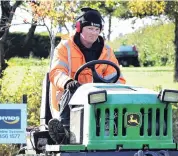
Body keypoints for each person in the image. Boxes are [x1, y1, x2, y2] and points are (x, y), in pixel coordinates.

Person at [48, 7, 126, 143]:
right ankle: (65, 133)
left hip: (99, 98)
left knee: (119, 96)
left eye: (97, 30)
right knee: (72, 91)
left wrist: (110, 87)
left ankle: (115, 130)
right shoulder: (64, 47)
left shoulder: (107, 51)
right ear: (79, 28)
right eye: (90, 28)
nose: (94, 33)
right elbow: (56, 72)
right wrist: (67, 82)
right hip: (71, 97)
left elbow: (117, 77)